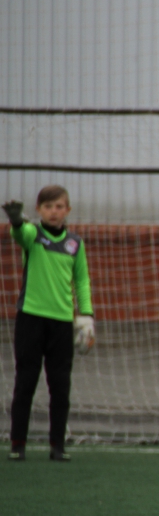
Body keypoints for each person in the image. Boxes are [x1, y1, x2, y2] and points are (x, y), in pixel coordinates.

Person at [4, 186, 94, 462]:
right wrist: (16, 221)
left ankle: (57, 446)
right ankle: (18, 444)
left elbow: (81, 280)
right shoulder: (33, 234)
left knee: (60, 386)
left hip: (62, 323)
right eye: (47, 206)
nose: (53, 212)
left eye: (59, 206)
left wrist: (86, 315)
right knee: (26, 382)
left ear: (67, 210)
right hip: (30, 319)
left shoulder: (75, 244)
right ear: (38, 210)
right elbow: (20, 234)